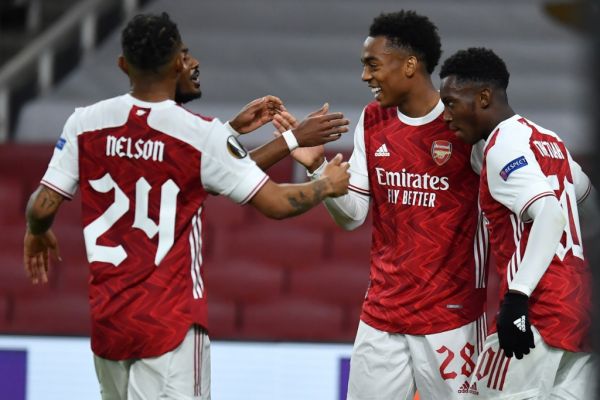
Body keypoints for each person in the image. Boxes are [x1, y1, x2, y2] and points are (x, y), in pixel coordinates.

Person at [23, 12, 350, 400]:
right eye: (187, 53)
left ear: (123, 64)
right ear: (178, 62)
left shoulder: (84, 123)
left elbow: (42, 205)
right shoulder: (198, 134)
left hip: (110, 325)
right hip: (170, 325)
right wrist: (326, 185)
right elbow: (276, 203)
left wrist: (37, 233)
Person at [275, 10, 488, 400]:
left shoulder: (464, 125)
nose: (364, 76)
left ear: (409, 64)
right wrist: (319, 168)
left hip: (451, 319)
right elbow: (353, 215)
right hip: (382, 316)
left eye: (373, 64)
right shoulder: (373, 120)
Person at [439, 47, 595, 399]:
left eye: (450, 102)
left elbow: (550, 214)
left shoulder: (504, 146)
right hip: (581, 313)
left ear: (482, 97)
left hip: (538, 311)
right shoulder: (549, 140)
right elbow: (586, 201)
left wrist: (517, 297)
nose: (446, 116)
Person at [173, 48, 346, 170]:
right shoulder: (176, 126)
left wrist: (232, 129)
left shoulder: (168, 122)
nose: (196, 63)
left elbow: (208, 165)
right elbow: (231, 171)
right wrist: (296, 137)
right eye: (185, 57)